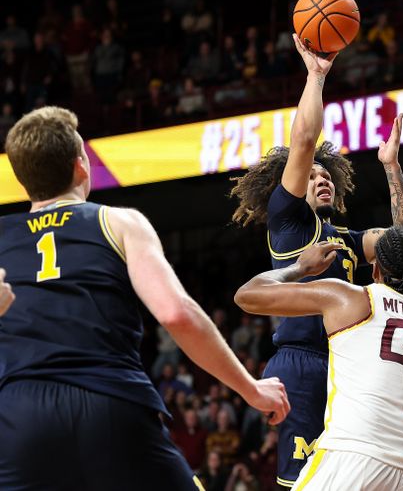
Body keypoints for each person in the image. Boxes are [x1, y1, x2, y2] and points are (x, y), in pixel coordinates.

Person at [0, 106, 289, 490]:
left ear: (23, 181)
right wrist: (251, 389)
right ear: (81, 165)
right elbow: (175, 314)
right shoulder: (118, 222)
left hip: (20, 416)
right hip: (110, 401)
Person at [229, 33, 403, 489]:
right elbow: (304, 141)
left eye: (326, 174)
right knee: (300, 482)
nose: (320, 179)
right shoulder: (289, 220)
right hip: (302, 362)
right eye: (311, 174)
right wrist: (316, 76)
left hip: (350, 365)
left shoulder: (350, 240)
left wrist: (392, 167)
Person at [235, 228, 403, 490]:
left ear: (374, 271)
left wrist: (300, 267)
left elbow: (246, 296)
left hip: (353, 459)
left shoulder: (351, 299)